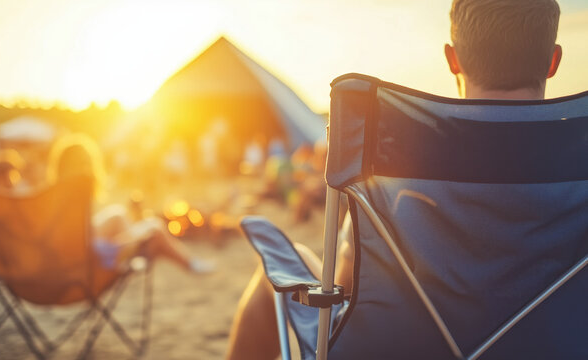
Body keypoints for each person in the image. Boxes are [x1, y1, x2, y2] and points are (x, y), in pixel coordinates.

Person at [226, 0, 563, 358]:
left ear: (453, 59)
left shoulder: (399, 163)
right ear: (553, 61)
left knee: (274, 276)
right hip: (552, 347)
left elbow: (345, 289)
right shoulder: (574, 169)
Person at [47, 133, 214, 274]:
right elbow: (82, 240)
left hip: (73, 251)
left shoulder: (53, 193)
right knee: (154, 227)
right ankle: (190, 264)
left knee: (117, 215)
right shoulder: (77, 189)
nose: (89, 168)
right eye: (86, 163)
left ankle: (135, 248)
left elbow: (73, 232)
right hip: (91, 256)